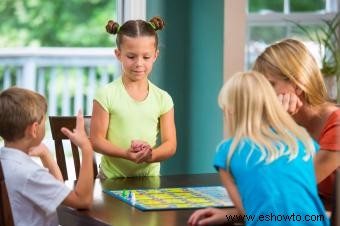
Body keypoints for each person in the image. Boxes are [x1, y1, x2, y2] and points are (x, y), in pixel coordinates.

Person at [188, 71, 329, 226]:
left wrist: (228, 216)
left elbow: (248, 213)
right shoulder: (303, 141)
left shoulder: (227, 153)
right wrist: (228, 216)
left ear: (231, 111)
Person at [252, 38, 340, 210]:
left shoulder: (337, 127)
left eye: (270, 85)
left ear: (298, 85)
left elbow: (289, 186)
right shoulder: (292, 122)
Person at [90, 16, 177, 178]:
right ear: (118, 54)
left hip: (150, 180)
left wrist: (150, 155)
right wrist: (125, 153)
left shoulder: (163, 98)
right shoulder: (106, 94)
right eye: (131, 56)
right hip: (110, 179)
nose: (139, 63)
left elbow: (170, 145)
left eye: (146, 57)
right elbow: (96, 141)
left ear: (155, 56)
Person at [0, 87, 94, 226]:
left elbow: (59, 192)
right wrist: (87, 148)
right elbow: (83, 200)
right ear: (34, 129)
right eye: (44, 120)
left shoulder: (7, 161)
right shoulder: (29, 174)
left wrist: (46, 155)